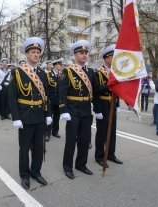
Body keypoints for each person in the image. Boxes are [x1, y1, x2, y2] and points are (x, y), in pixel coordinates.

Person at [9, 37, 52, 190]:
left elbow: (47, 95)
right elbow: (12, 97)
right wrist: (16, 118)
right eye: (33, 52)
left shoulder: (42, 73)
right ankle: (25, 175)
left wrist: (48, 114)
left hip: (40, 115)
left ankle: (36, 172)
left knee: (39, 147)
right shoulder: (18, 72)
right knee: (25, 148)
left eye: (38, 52)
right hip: (25, 116)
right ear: (26, 54)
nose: (36, 55)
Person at [59, 40, 95, 179]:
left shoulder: (91, 72)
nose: (84, 55)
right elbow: (61, 92)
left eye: (86, 53)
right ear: (75, 55)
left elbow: (95, 91)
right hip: (73, 110)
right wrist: (63, 110)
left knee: (85, 140)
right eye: (81, 53)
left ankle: (81, 164)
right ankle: (67, 166)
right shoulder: (67, 71)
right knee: (71, 140)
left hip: (86, 110)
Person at [93, 44, 123, 168]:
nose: (115, 59)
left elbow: (117, 91)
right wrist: (97, 110)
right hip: (103, 104)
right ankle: (99, 156)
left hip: (112, 104)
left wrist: (117, 104)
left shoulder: (115, 73)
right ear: (106, 58)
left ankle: (110, 153)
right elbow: (97, 91)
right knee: (101, 132)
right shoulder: (99, 73)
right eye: (112, 56)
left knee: (112, 132)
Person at [45, 58, 63, 141]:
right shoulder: (48, 75)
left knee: (57, 116)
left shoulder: (61, 75)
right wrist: (47, 99)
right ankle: (47, 133)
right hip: (50, 99)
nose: (61, 66)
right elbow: (46, 88)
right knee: (49, 117)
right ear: (55, 65)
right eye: (60, 65)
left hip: (58, 100)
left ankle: (55, 132)